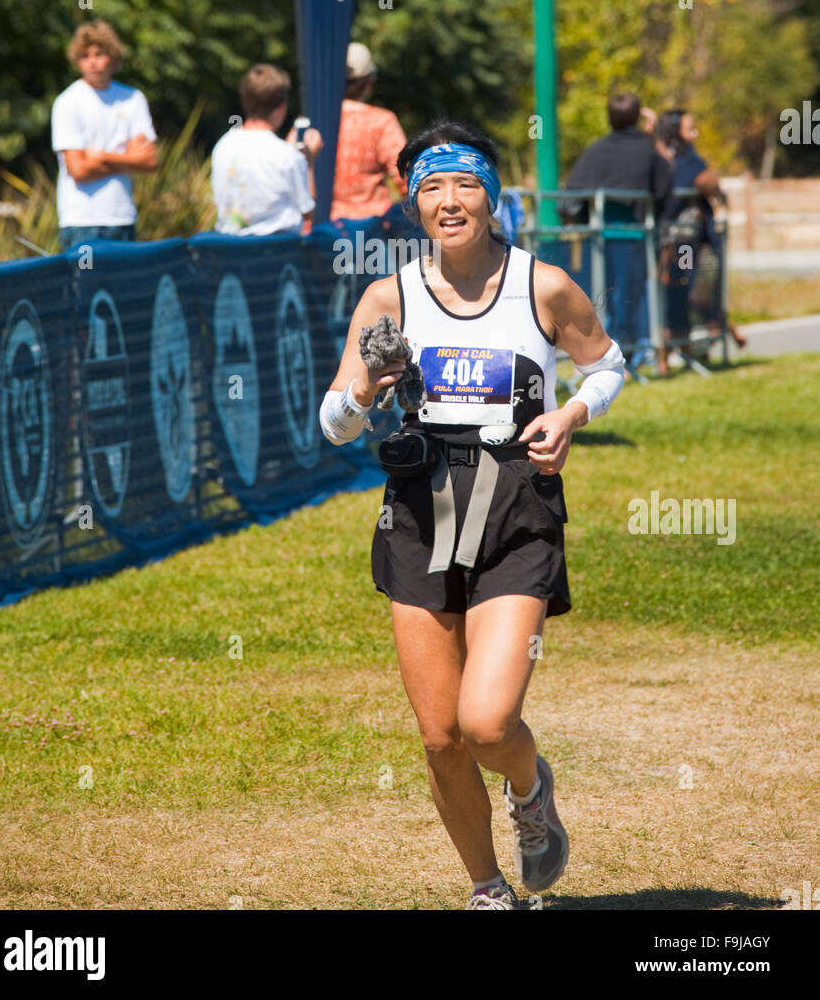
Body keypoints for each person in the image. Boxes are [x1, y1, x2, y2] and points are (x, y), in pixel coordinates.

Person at [319, 120, 626, 910]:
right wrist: (367, 389)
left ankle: (530, 792)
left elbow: (608, 363)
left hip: (515, 507)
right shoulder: (389, 297)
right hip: (420, 515)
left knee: (487, 723)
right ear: (412, 203)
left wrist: (572, 416)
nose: (448, 202)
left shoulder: (543, 285)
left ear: (492, 198)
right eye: (430, 188)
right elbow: (334, 422)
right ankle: (488, 890)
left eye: (464, 186)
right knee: (439, 737)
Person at [562, 91, 673, 364]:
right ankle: (621, 355)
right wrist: (654, 135)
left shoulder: (597, 150)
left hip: (598, 237)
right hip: (632, 235)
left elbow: (572, 192)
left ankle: (599, 356)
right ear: (637, 116)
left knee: (598, 296)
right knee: (627, 296)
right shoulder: (647, 151)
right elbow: (666, 182)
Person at [51, 20, 158, 251]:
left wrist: (100, 157)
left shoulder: (133, 98)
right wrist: (127, 159)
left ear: (113, 57)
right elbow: (78, 170)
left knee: (123, 287)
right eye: (85, 56)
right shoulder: (68, 102)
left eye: (99, 54)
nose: (93, 62)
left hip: (121, 217)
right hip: (81, 221)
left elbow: (149, 161)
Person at [656, 109, 745, 359]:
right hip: (684, 244)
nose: (695, 134)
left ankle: (699, 347)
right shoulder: (683, 159)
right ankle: (693, 346)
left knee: (691, 294)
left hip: (678, 243)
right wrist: (719, 194)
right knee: (693, 293)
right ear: (677, 133)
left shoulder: (663, 155)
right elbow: (706, 180)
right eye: (690, 129)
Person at [211, 63, 323, 236]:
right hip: (276, 254)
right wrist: (308, 162)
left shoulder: (222, 146)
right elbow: (308, 213)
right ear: (282, 107)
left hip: (229, 253)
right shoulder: (287, 155)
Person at [330, 42, 407, 222]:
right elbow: (406, 176)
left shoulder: (314, 119)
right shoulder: (382, 121)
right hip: (372, 228)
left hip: (324, 228)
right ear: (369, 82)